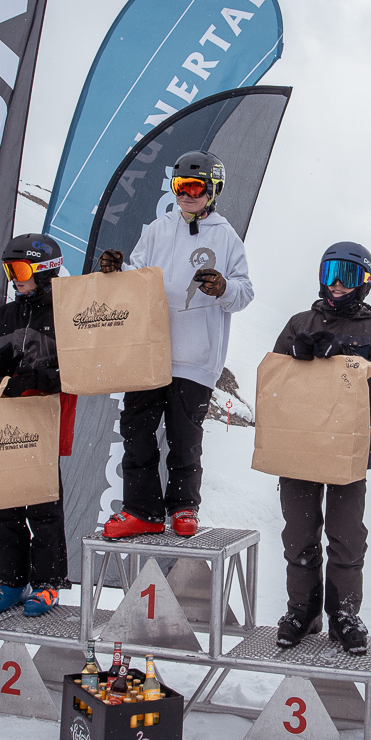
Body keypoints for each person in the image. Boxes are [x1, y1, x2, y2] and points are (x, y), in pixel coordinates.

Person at [96, 150, 254, 539]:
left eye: (195, 187)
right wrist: (118, 272)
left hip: (195, 356)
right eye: (180, 186)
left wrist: (223, 287)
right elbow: (138, 278)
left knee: (185, 436)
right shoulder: (157, 229)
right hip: (150, 351)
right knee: (137, 430)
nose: (186, 195)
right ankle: (142, 511)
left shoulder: (226, 236)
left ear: (213, 190)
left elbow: (245, 292)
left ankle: (183, 507)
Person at [270, 241, 371, 654]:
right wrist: (295, 355)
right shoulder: (299, 322)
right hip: (301, 445)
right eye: (330, 274)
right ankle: (302, 611)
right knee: (299, 535)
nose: (337, 284)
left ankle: (344, 614)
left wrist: (346, 359)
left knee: (346, 537)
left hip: (346, 449)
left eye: (348, 275)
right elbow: (273, 379)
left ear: (366, 282)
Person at [0, 233, 77, 617]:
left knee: (44, 506)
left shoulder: (65, 313)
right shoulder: (5, 316)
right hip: (8, 420)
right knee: (8, 506)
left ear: (44, 271)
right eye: (9, 270)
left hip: (44, 418)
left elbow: (79, 368)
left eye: (19, 270)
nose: (14, 279)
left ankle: (48, 583)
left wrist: (36, 377)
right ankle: (12, 580)